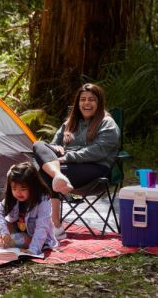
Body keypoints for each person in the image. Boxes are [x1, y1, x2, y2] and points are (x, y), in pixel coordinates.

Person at [32, 83, 119, 240]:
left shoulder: (107, 123)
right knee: (38, 145)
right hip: (66, 168)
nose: (86, 103)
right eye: (82, 99)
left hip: (95, 169)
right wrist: (56, 147)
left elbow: (98, 151)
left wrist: (67, 157)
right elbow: (51, 145)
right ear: (77, 103)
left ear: (99, 103)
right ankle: (58, 177)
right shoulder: (70, 122)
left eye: (91, 99)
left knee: (43, 174)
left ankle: (54, 224)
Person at [0, 162, 58, 255]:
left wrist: (33, 250)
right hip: (16, 230)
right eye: (14, 189)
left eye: (23, 188)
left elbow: (42, 227)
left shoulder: (42, 200)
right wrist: (4, 232)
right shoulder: (12, 198)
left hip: (34, 239)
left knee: (17, 239)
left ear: (33, 186)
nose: (18, 193)